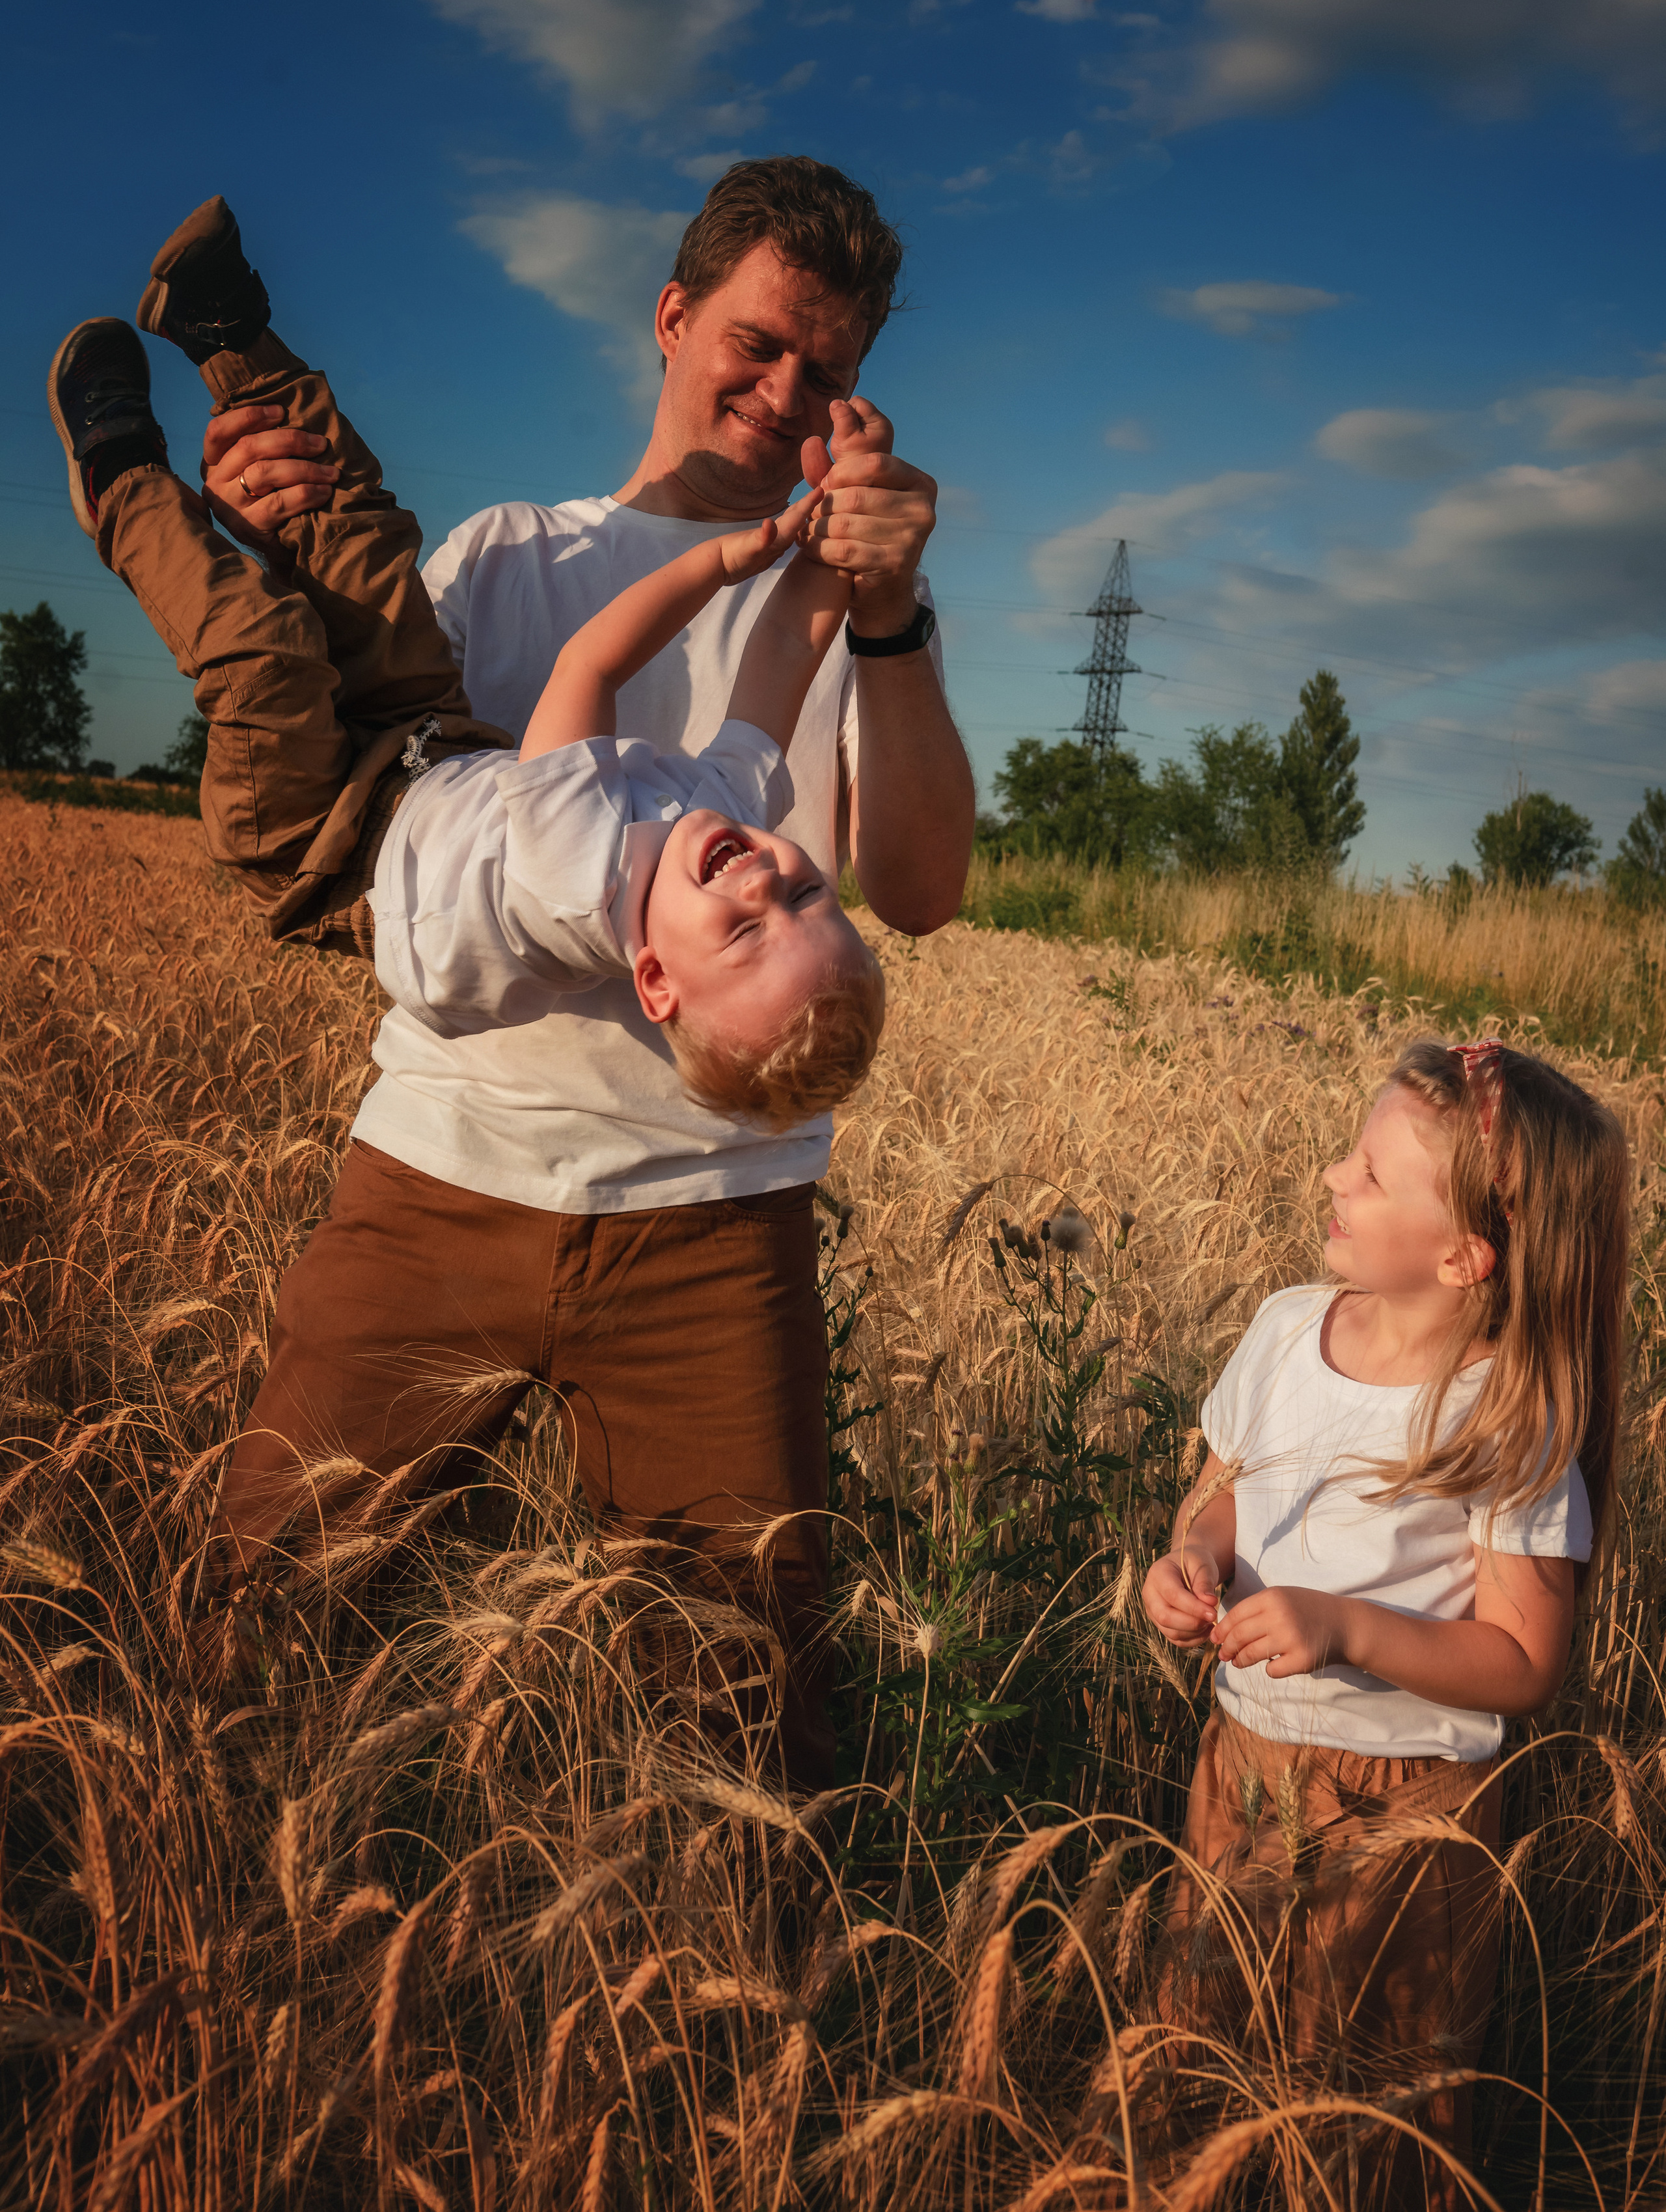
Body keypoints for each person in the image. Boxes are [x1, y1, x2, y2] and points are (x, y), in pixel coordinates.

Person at [113, 161, 973, 1787]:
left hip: (716, 1221)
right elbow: (374, 717)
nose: (789, 394)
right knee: (261, 1630)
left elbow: (918, 892)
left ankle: (730, 2032)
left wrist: (890, 608)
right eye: (761, 342)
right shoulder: (511, 556)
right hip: (440, 1175)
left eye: (831, 377)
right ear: (671, 316)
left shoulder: (847, 593)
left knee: (743, 1717)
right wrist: (271, 520)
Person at [51, 274, 884, 1131]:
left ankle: (121, 480)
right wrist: (834, 522)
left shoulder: (580, 877)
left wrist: (726, 562)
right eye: (805, 898)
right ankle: (236, 341)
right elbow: (785, 650)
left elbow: (589, 667)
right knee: (369, 556)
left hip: (321, 846)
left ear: (656, 983)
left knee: (267, 653)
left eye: (745, 934)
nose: (761, 883)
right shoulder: (730, 814)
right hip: (433, 756)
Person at [1142, 1037, 1627, 2207]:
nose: (1331, 1181)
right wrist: (1189, 1560)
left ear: (1464, 1255)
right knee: (1211, 2049)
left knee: (1364, 2102)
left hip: (1404, 1813)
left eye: (1368, 1173)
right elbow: (1228, 1490)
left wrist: (1345, 1626)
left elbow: (1524, 1660)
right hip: (1243, 1766)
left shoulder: (1505, 1410)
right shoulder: (1287, 1328)